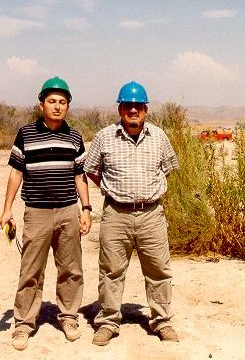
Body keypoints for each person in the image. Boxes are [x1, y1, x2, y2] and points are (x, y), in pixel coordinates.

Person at [0, 76, 92, 351]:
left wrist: (85, 209)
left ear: (68, 107)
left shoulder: (74, 137)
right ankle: (24, 324)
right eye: (52, 101)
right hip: (36, 212)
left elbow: (80, 175)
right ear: (41, 104)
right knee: (31, 271)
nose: (57, 106)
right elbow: (16, 172)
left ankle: (69, 317)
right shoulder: (26, 134)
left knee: (71, 269)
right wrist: (7, 210)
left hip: (67, 212)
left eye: (62, 102)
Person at [84, 81, 180, 345]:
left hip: (151, 215)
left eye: (138, 106)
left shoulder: (159, 136)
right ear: (120, 109)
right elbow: (90, 168)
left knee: (159, 270)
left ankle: (162, 321)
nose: (133, 111)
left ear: (146, 109)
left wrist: (147, 190)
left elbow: (169, 167)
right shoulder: (105, 137)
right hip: (116, 214)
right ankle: (108, 321)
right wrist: (110, 188)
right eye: (128, 106)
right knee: (111, 271)